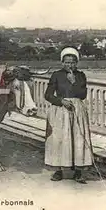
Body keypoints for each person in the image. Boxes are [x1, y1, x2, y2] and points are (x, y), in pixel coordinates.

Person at [44, 47, 93, 184]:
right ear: (62, 62)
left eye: (72, 62)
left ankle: (78, 172)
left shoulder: (81, 75)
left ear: (76, 63)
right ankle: (59, 170)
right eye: (66, 62)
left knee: (78, 138)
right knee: (60, 138)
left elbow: (82, 95)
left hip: (77, 109)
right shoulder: (56, 75)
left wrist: (73, 82)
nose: (69, 65)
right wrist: (61, 101)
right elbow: (47, 95)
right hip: (61, 110)